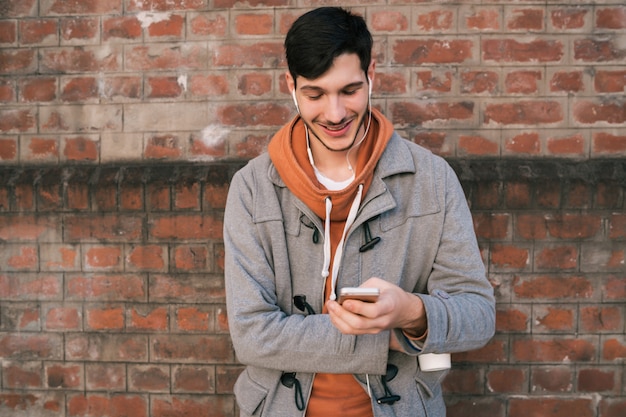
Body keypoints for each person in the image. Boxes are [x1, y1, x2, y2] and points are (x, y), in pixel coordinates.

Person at [224, 7, 495, 417]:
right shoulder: (252, 188)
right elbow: (250, 335)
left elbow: (478, 315)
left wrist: (411, 312)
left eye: (349, 91)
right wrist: (382, 335)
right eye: (315, 94)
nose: (334, 114)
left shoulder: (432, 180)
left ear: (372, 78)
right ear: (291, 87)